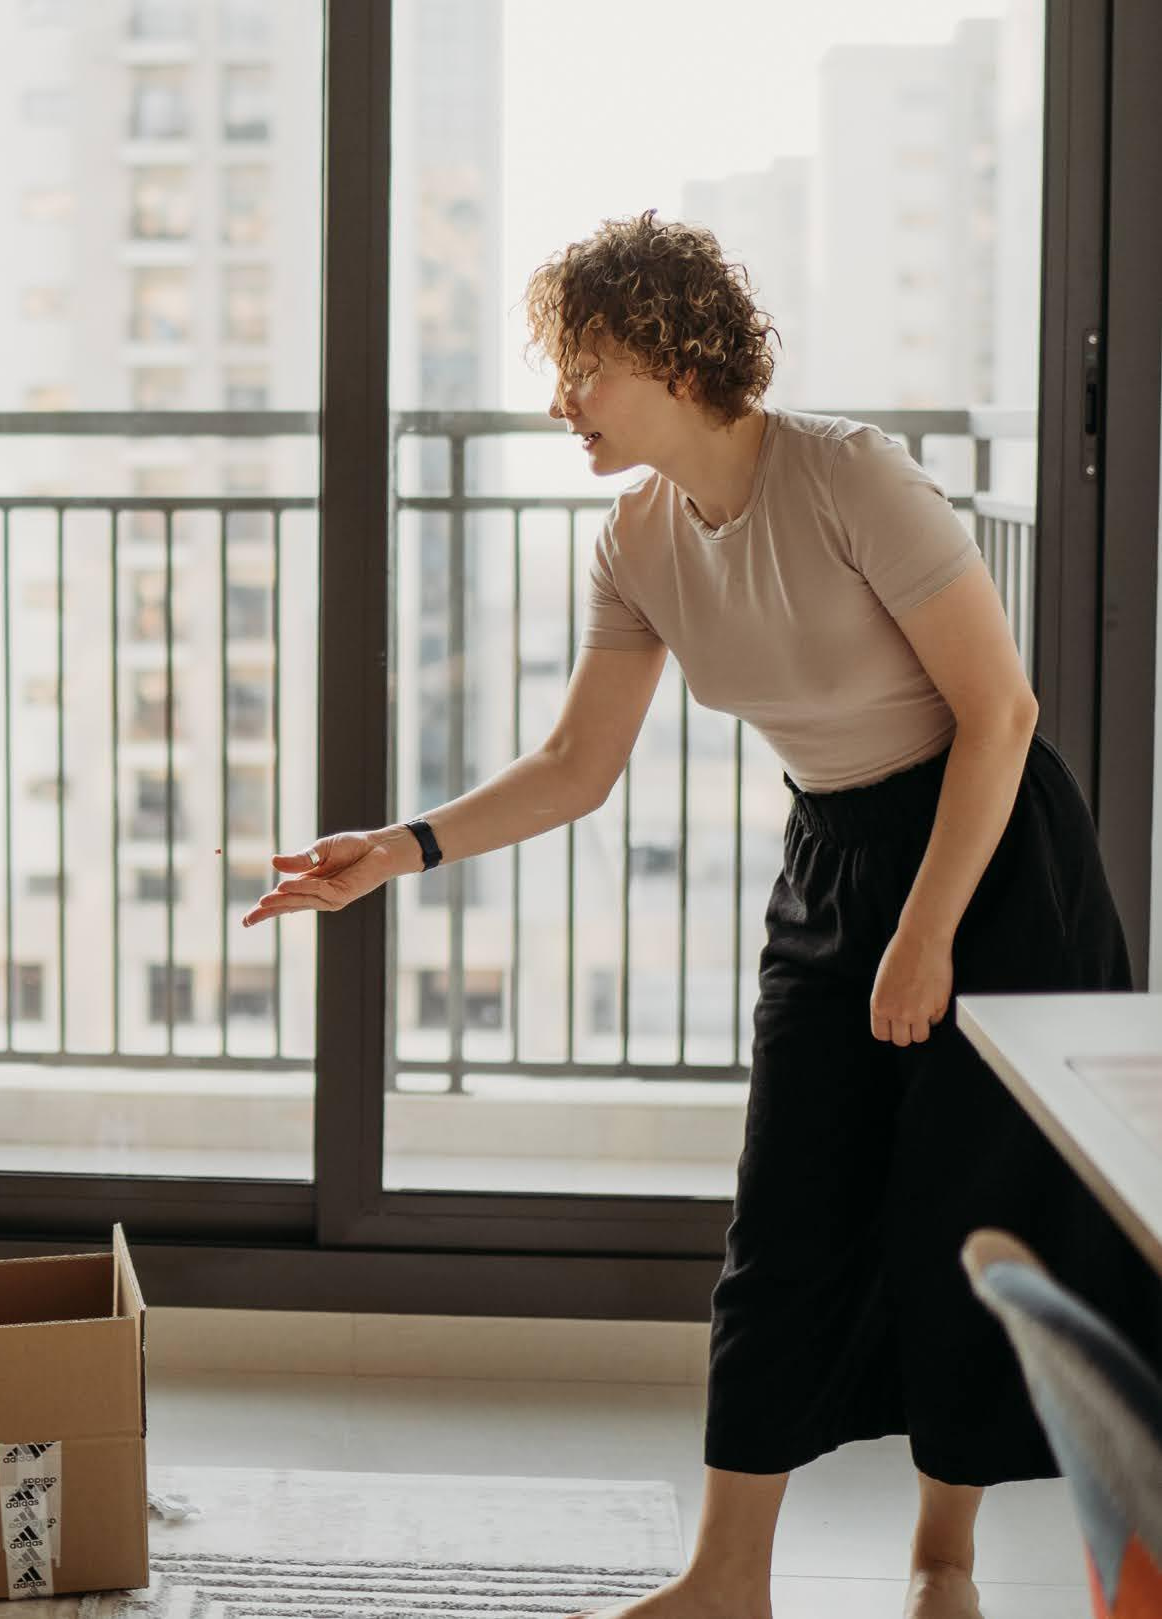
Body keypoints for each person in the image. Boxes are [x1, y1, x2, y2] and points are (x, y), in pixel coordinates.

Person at [245, 211, 1155, 1619]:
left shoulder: (850, 477)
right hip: (836, 854)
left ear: (677, 359)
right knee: (782, 1219)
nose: (564, 404)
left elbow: (1003, 711)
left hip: (990, 855)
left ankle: (943, 1561)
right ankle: (728, 1579)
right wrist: (400, 848)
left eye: (586, 369)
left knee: (960, 1211)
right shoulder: (639, 542)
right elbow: (575, 768)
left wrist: (927, 935)